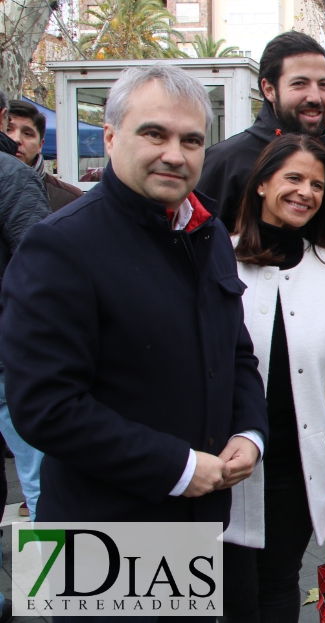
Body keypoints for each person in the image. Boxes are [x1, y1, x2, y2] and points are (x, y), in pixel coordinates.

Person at [0, 66, 268, 623]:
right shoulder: (58, 245)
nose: (175, 153)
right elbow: (44, 408)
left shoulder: (208, 231)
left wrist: (249, 431)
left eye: (192, 140)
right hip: (92, 536)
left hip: (194, 529)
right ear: (112, 136)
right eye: (155, 134)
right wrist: (174, 465)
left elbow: (235, 351)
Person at [220, 134, 325, 622]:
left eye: (318, 185)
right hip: (226, 459)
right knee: (229, 588)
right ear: (262, 183)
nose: (306, 192)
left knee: (280, 584)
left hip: (299, 461)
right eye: (294, 178)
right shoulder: (218, 255)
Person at [197, 31, 325, 242]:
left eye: (323, 85)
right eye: (299, 83)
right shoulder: (227, 161)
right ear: (269, 89)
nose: (315, 97)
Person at [0, 88, 51, 623]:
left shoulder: (20, 180)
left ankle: (54, 592)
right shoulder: (14, 178)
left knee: (40, 478)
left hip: (10, 360)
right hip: (11, 359)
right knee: (41, 479)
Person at [5, 100, 82, 211]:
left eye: (27, 133)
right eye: (8, 129)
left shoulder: (70, 199)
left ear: (40, 145)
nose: (16, 139)